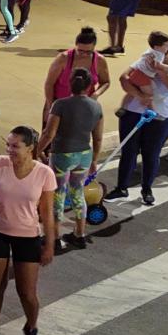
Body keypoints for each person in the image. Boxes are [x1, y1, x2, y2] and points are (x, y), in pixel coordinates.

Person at [0, 125, 57, 335]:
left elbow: (47, 213)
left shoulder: (44, 173)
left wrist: (49, 244)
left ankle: (31, 328)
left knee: (26, 292)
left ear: (30, 147)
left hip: (28, 237)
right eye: (8, 144)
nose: (9, 150)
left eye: (15, 146)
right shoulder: (0, 163)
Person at [108, 34, 168, 205]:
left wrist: (159, 69)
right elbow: (124, 78)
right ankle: (121, 188)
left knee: (151, 154)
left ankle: (146, 189)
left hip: (161, 119)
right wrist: (140, 95)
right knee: (128, 152)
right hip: (133, 113)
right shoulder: (150, 58)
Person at [40, 70, 104, 250]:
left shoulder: (60, 105)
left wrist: (37, 151)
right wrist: (94, 160)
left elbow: (49, 133)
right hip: (84, 154)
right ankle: (80, 233)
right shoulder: (96, 107)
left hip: (62, 154)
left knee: (58, 193)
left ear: (69, 84)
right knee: (78, 192)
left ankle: (54, 237)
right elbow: (98, 138)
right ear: (90, 86)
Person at [42, 27, 110, 127]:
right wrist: (50, 106)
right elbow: (49, 84)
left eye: (88, 52)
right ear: (76, 45)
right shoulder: (63, 58)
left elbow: (106, 82)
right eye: (80, 51)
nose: (84, 54)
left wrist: (96, 94)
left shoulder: (99, 60)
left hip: (84, 106)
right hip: (59, 104)